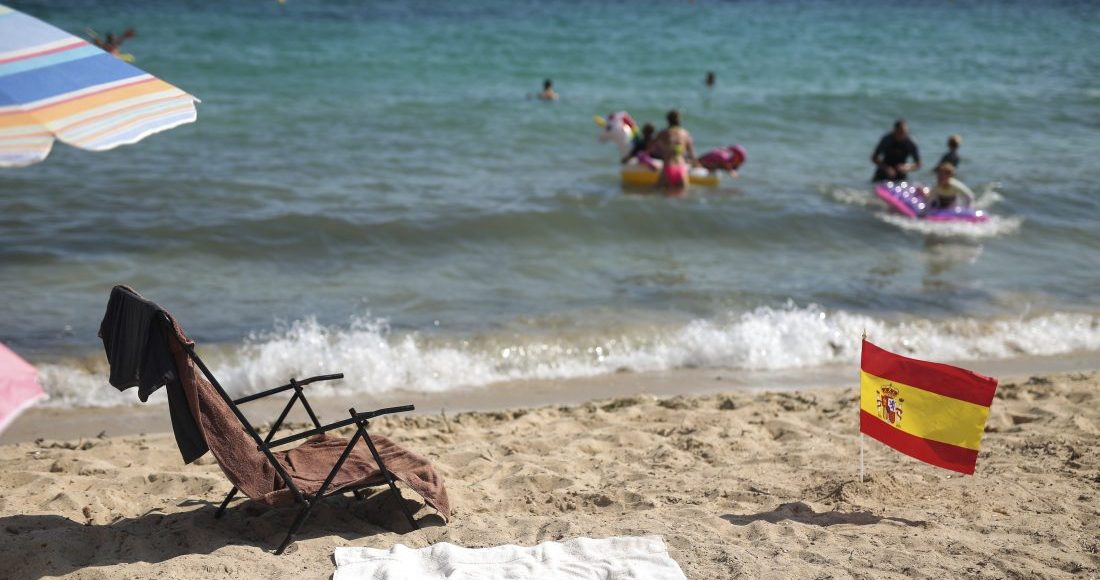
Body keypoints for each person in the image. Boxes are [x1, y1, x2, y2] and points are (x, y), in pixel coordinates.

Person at [649, 110, 697, 190]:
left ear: (668, 121)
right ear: (679, 121)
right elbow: (692, 156)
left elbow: (651, 148)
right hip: (681, 168)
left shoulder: (663, 133)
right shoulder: (685, 134)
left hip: (668, 167)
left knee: (659, 194)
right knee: (682, 198)